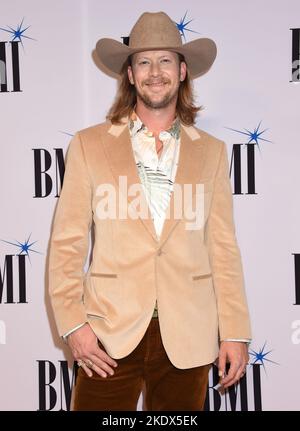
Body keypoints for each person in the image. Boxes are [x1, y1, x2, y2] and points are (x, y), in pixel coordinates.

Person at [48, 11, 251, 411]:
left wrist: (235, 332)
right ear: (129, 73)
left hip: (188, 333)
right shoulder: (89, 145)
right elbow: (67, 243)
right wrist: (74, 326)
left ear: (182, 71)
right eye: (143, 61)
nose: (154, 72)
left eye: (164, 61)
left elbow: (223, 248)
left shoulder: (211, 152)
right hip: (108, 333)